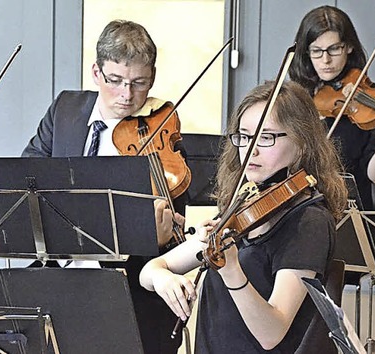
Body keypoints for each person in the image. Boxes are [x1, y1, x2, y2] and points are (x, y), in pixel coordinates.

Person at [139, 80, 348, 353]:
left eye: (266, 137)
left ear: (301, 143)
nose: (252, 150)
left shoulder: (308, 222)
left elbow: (272, 333)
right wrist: (164, 279)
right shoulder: (245, 207)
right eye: (245, 137)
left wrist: (232, 270)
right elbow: (150, 271)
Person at [22, 19, 186, 354]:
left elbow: (175, 202)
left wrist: (161, 230)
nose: (127, 95)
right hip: (62, 269)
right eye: (116, 81)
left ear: (152, 77)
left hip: (130, 283)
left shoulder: (160, 125)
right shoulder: (65, 109)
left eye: (139, 83)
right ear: (96, 73)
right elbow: (29, 175)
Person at [289, 5, 375, 258]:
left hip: (346, 220)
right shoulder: (294, 100)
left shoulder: (364, 106)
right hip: (295, 210)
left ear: (349, 47)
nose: (326, 60)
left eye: (334, 49)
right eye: (316, 51)